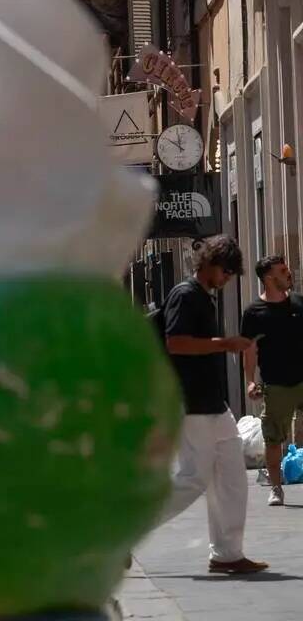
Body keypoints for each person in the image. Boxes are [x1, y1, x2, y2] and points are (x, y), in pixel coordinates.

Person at [161, 235, 267, 574]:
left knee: (232, 473)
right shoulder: (185, 295)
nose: (226, 278)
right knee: (194, 478)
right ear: (209, 262)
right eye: (225, 271)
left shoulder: (205, 298)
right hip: (190, 401)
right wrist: (225, 344)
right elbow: (176, 343)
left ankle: (227, 553)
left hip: (212, 402)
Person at [240, 255, 303, 507]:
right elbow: (249, 350)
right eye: (282, 270)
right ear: (268, 278)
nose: (288, 273)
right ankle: (276, 489)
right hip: (276, 384)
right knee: (273, 438)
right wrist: (250, 381)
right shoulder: (254, 312)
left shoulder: (299, 303)